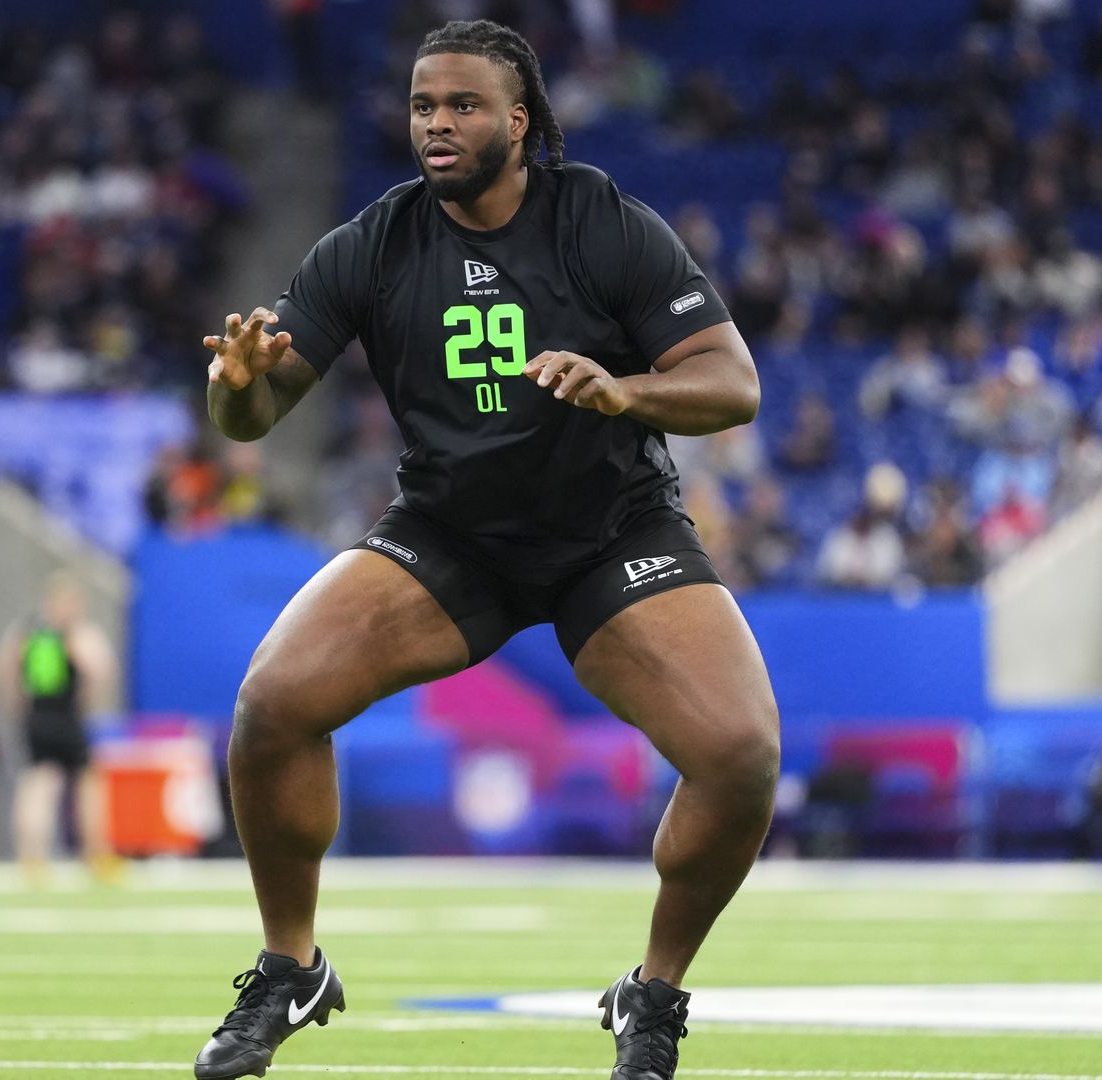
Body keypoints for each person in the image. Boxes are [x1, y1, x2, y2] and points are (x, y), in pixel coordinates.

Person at [192, 20, 778, 1080]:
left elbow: (732, 381)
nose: (437, 125)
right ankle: (291, 966)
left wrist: (625, 388)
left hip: (611, 533)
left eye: (461, 106)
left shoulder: (599, 219)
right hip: (452, 534)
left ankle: (652, 993)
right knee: (274, 703)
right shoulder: (375, 240)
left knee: (739, 758)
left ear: (519, 119)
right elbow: (258, 412)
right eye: (423, 107)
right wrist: (235, 391)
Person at [0, 572, 122, 886]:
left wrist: (17, 704)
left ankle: (31, 859)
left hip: (36, 715)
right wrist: (88, 701)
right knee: (88, 784)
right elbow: (99, 668)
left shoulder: (27, 630)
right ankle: (97, 855)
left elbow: (4, 667)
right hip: (66, 715)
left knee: (37, 784)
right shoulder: (73, 632)